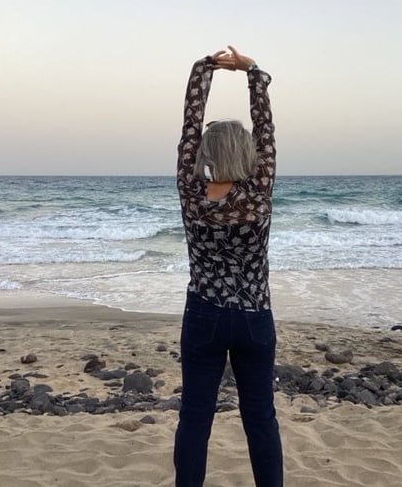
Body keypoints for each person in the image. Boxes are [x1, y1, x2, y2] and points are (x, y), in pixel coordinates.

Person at [174, 45, 283, 487]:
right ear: (250, 153)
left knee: (196, 417)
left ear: (203, 152)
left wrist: (204, 70)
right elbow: (267, 128)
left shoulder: (190, 190)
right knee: (260, 417)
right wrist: (252, 71)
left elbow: (188, 125)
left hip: (204, 314)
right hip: (256, 316)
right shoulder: (259, 190)